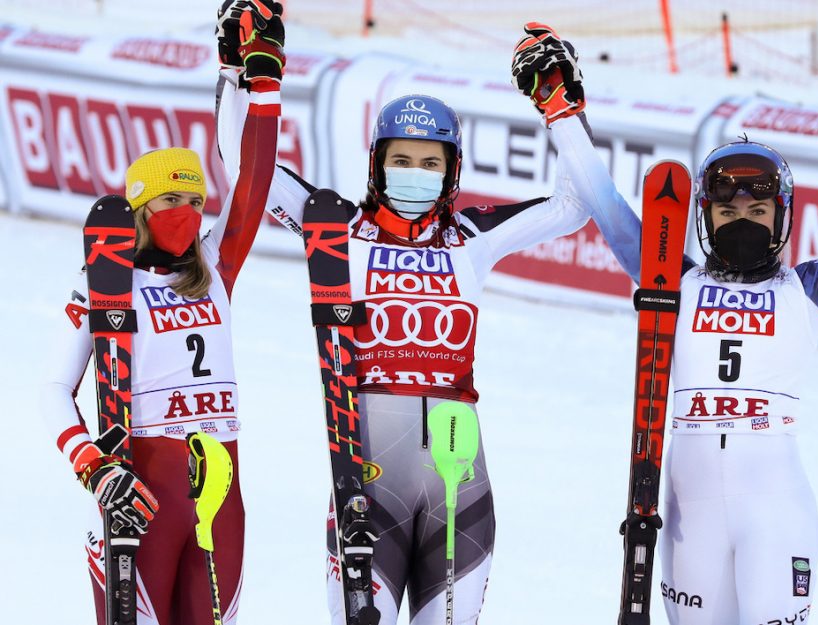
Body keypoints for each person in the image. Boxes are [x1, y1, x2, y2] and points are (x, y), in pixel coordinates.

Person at [511, 23, 818, 625]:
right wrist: (558, 108)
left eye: (758, 208)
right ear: (705, 218)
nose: (743, 218)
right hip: (687, 517)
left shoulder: (808, 290)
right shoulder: (668, 280)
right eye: (728, 208)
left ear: (781, 217)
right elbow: (605, 202)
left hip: (775, 508)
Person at [214, 10, 602, 625]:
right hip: (366, 487)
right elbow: (246, 173)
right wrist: (239, 71)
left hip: (460, 490)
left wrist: (562, 107)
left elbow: (578, 204)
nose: (415, 174)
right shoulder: (336, 229)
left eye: (431, 163)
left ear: (452, 171)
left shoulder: (472, 236)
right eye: (402, 159)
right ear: (377, 162)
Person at [40, 4, 283, 622]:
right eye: (171, 198)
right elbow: (53, 388)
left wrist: (257, 80)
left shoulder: (215, 269)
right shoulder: (103, 279)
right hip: (139, 493)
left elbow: (253, 180)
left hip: (219, 496)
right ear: (140, 206)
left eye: (195, 200)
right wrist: (92, 466)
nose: (188, 212)